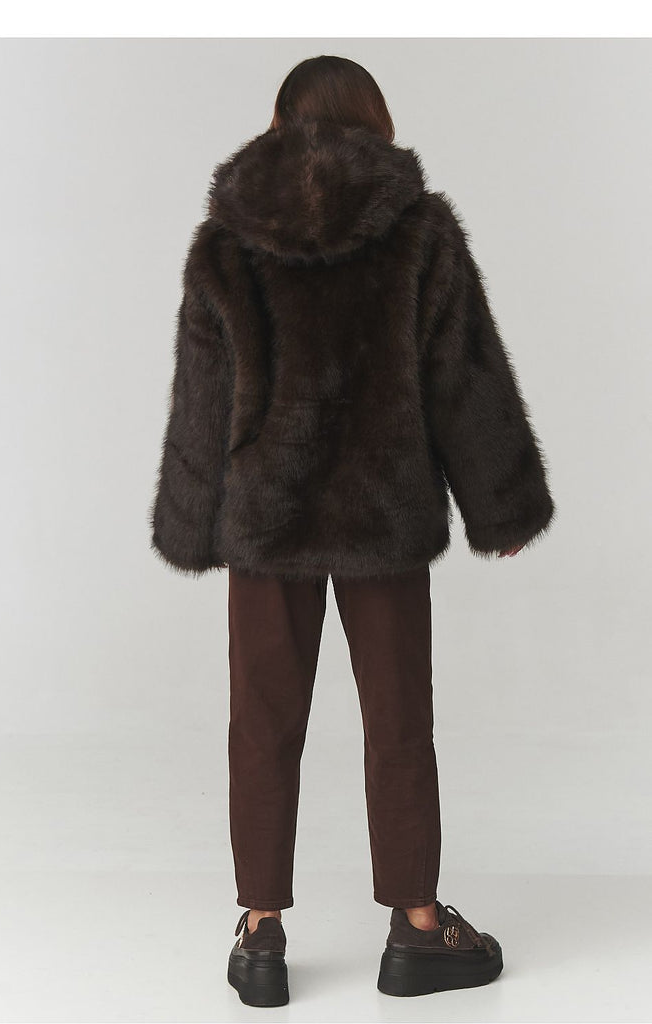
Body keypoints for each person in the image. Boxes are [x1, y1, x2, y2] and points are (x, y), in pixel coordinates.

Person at [148, 55, 555, 1006]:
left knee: (261, 720)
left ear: (280, 120)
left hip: (265, 519)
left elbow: (203, 391)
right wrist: (500, 503)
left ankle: (260, 934)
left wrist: (191, 524)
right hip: (384, 513)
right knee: (398, 718)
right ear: (373, 118)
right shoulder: (419, 231)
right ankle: (416, 927)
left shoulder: (228, 241)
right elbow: (461, 375)